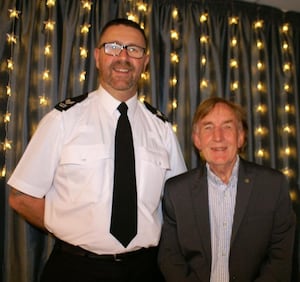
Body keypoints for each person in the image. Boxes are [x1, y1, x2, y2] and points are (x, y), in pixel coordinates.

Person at [8, 18, 186, 282]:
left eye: (134, 49)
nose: (123, 57)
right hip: (74, 269)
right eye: (113, 47)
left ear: (145, 61)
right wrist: (68, 226)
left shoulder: (161, 128)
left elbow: (178, 206)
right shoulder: (63, 119)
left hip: (145, 270)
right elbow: (22, 197)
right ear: (98, 56)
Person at [158, 97, 296, 282]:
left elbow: (281, 256)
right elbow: (170, 258)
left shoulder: (272, 186)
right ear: (197, 140)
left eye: (227, 127)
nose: (218, 137)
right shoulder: (176, 192)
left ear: (241, 137)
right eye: (208, 127)